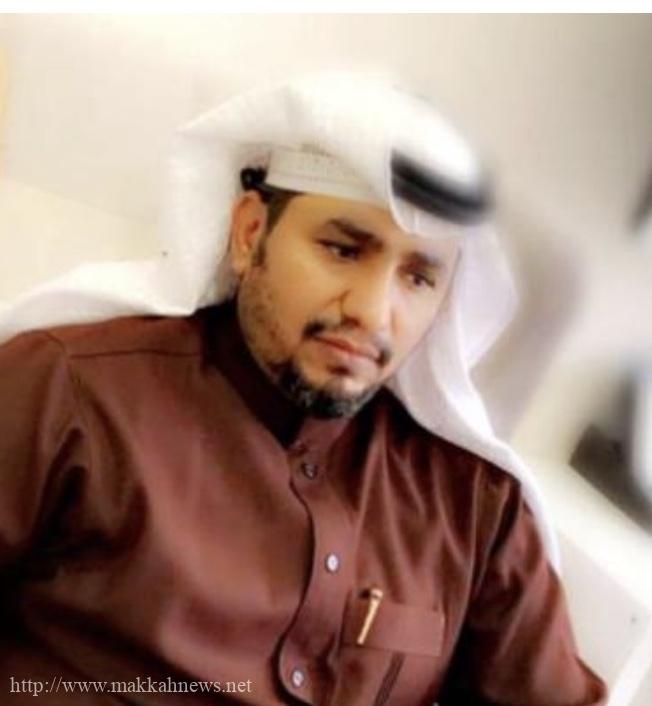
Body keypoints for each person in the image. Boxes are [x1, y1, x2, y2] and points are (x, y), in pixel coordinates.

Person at [0, 74, 606, 705]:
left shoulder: (476, 508)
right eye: (343, 249)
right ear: (249, 234)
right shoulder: (71, 393)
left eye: (418, 279)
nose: (373, 312)